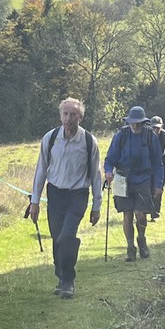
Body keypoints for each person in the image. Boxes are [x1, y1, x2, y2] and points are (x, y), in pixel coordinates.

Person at [29, 98, 102, 299]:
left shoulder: (89, 141)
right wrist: (35, 201)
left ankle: (68, 280)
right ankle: (61, 276)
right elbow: (41, 170)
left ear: (80, 117)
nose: (68, 118)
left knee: (67, 236)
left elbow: (96, 175)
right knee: (57, 237)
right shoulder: (50, 138)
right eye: (65, 114)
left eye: (73, 115)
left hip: (78, 194)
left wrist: (96, 205)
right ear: (60, 116)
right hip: (55, 194)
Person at [104, 105, 164, 261]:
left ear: (143, 122)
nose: (135, 125)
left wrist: (159, 185)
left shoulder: (150, 136)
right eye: (133, 122)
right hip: (123, 179)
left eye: (138, 123)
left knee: (140, 214)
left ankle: (141, 239)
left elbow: (158, 163)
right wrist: (108, 171)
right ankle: (130, 248)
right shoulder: (121, 136)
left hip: (143, 179)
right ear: (129, 122)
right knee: (127, 215)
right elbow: (110, 159)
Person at [149, 115, 165, 220]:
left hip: (161, 165)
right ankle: (147, 210)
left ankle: (155, 214)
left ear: (162, 127)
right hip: (148, 165)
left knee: (158, 189)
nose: (156, 130)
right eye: (154, 127)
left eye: (158, 128)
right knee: (149, 188)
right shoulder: (147, 136)